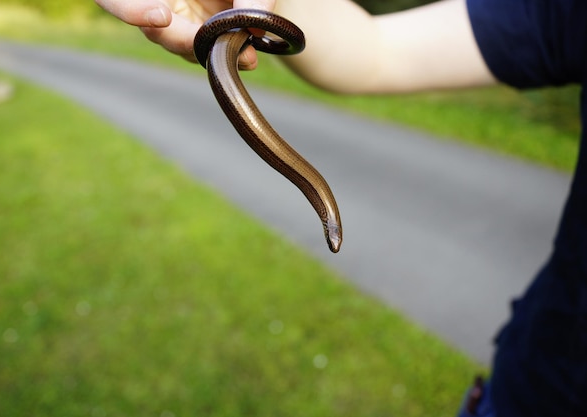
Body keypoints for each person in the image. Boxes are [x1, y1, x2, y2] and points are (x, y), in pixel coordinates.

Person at [94, 0, 587, 415]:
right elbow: (378, 52)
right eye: (332, 233)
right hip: (531, 392)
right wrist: (272, 3)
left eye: (333, 234)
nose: (334, 239)